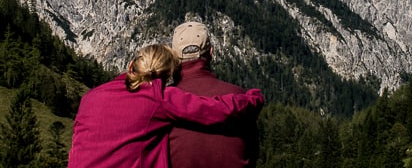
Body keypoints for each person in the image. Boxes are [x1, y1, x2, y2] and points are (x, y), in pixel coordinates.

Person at [67, 43, 264, 168]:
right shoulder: (159, 98)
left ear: (130, 66)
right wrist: (252, 98)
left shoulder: (91, 97)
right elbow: (217, 111)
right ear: (165, 77)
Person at [169, 21, 261, 168]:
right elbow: (253, 152)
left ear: (173, 56)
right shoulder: (240, 97)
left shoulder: (162, 101)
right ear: (211, 52)